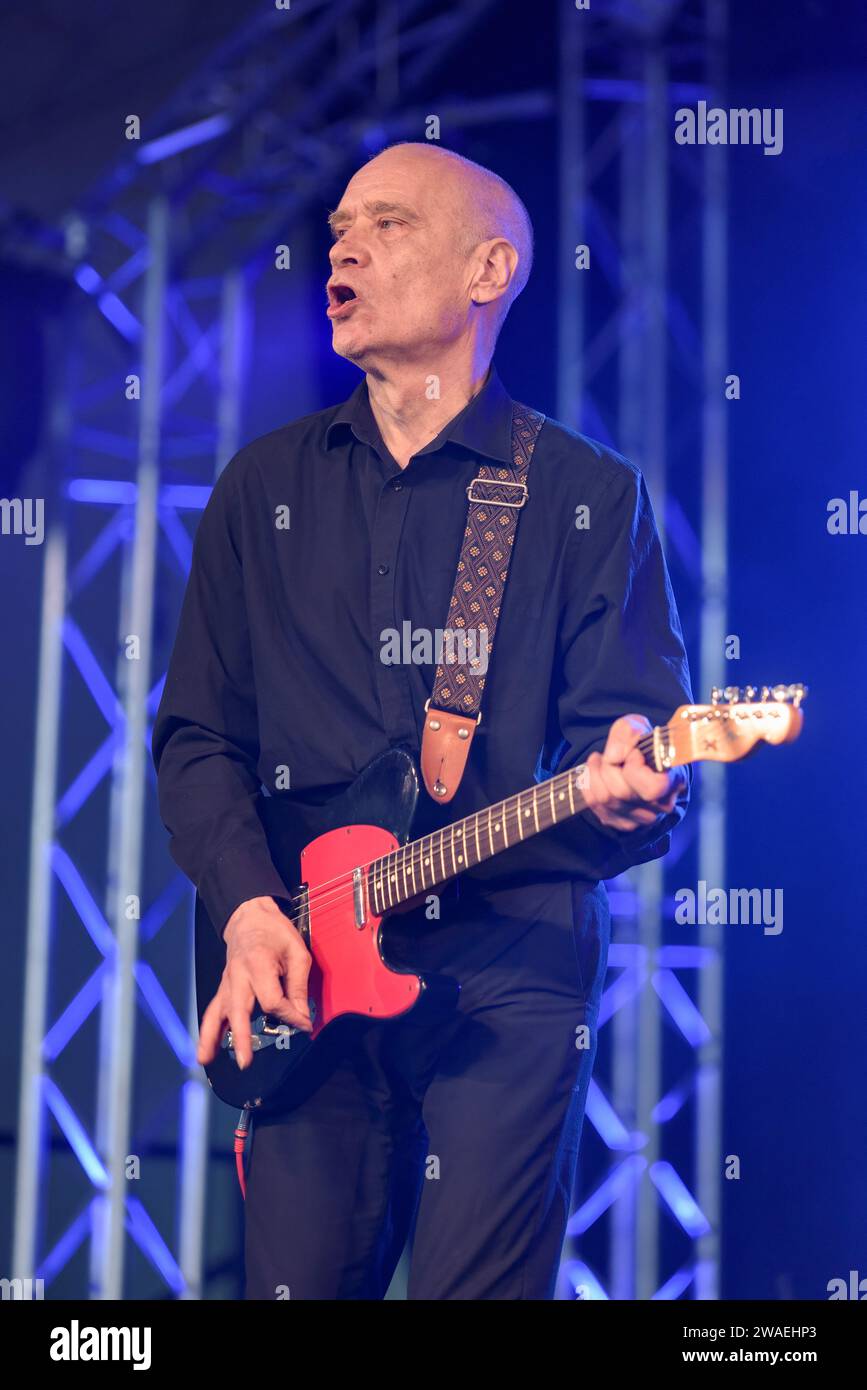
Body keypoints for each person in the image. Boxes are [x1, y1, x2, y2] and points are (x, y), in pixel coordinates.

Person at [152, 141, 692, 1300]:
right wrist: (249, 909)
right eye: (341, 223)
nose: (343, 245)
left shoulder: (587, 495)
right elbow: (198, 737)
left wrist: (630, 794)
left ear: (488, 270)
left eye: (388, 224)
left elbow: (630, 758)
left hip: (508, 973)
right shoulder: (264, 487)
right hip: (304, 962)